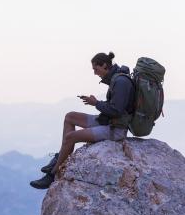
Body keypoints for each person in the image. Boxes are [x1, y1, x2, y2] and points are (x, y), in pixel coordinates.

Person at [29, 52, 135, 189]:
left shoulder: (121, 82)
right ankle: (61, 155)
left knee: (71, 137)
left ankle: (53, 174)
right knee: (70, 116)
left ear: (104, 65)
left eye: (95, 69)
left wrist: (95, 103)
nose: (95, 73)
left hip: (116, 130)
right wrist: (96, 103)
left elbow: (116, 110)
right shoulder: (116, 78)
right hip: (108, 121)